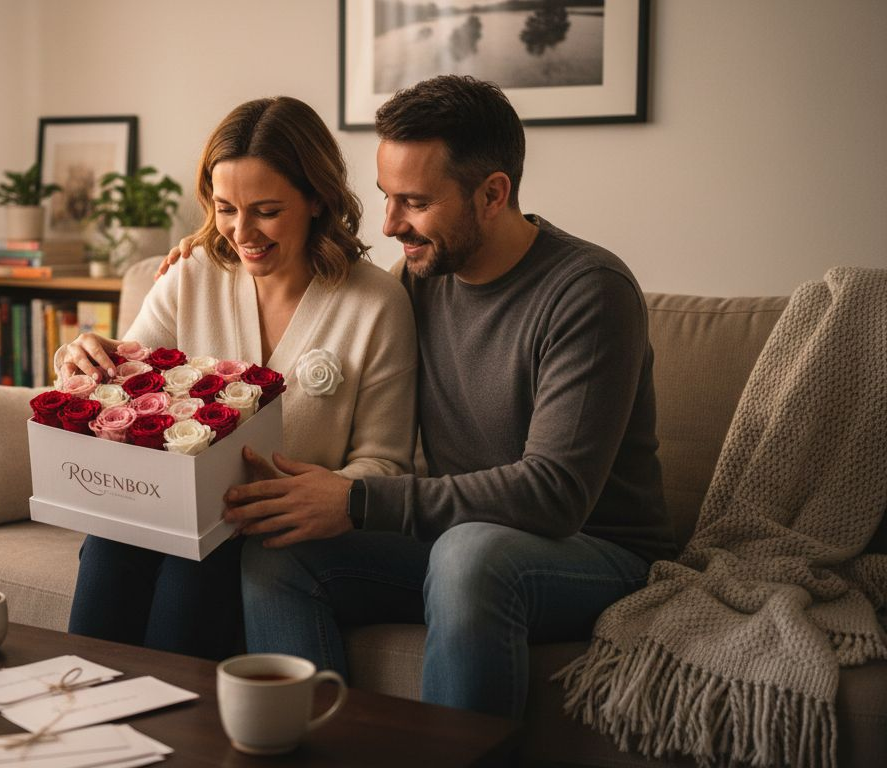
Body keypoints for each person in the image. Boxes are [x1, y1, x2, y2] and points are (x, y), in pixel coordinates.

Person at [159, 75, 675, 718]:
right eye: (385, 197)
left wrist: (357, 498)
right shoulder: (423, 278)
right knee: (281, 547)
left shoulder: (589, 293)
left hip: (592, 553)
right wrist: (213, 248)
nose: (390, 223)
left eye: (415, 201)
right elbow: (321, 271)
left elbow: (554, 495)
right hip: (458, 535)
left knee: (470, 554)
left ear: (492, 194)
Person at [54, 96, 417, 661]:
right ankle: (79, 721)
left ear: (317, 198)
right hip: (169, 514)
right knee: (110, 542)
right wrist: (84, 358)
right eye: (225, 208)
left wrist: (308, 495)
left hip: (275, 533)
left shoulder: (376, 304)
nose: (240, 232)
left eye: (266, 210)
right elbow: (126, 386)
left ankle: (167, 735)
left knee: (197, 566)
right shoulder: (190, 274)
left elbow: (385, 461)